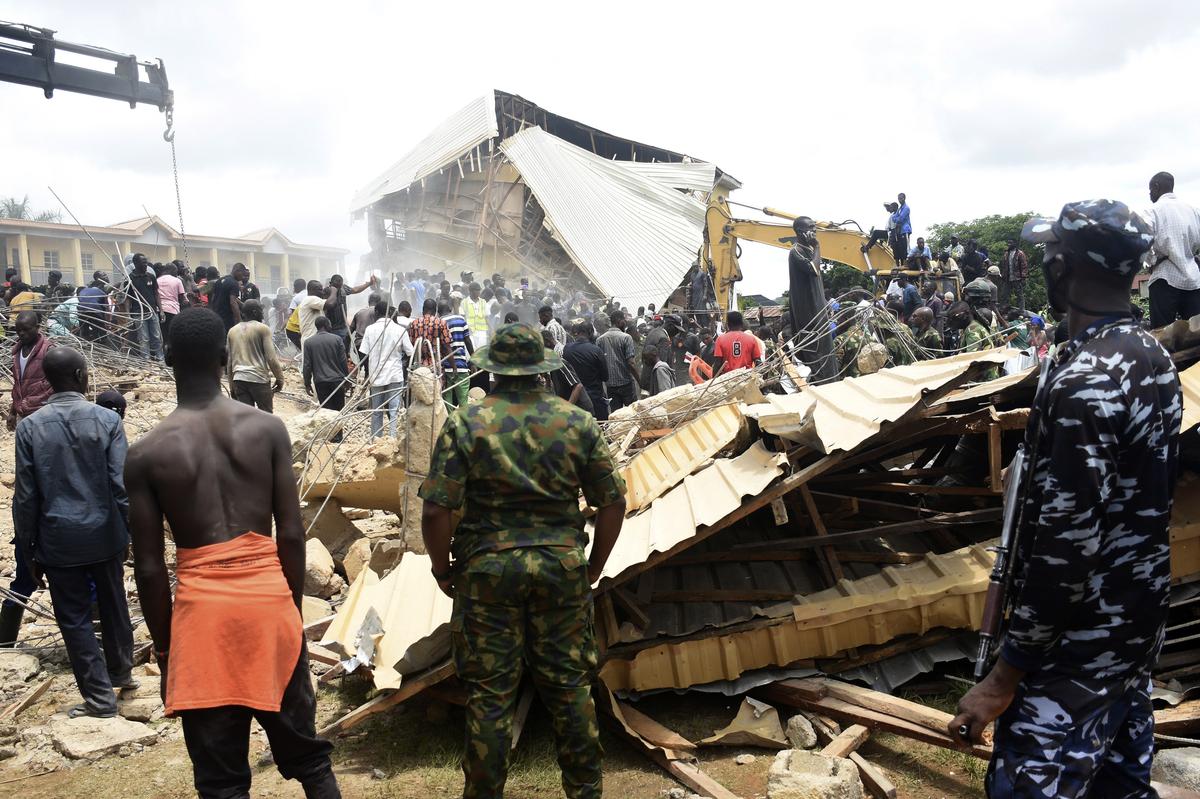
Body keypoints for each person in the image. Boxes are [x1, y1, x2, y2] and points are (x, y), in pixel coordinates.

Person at [951, 200, 1179, 798]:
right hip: (1133, 628)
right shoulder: (1147, 355)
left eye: (1052, 254)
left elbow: (1066, 548)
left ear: (1064, 267)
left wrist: (1005, 676)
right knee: (1119, 788)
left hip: (1074, 646)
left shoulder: (1086, 383)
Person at [126, 308, 340, 798]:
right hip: (268, 606)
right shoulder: (267, 430)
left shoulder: (145, 454)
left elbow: (151, 569)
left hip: (202, 623)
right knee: (308, 758)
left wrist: (165, 650)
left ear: (168, 358)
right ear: (224, 359)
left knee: (222, 783)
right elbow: (290, 532)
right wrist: (289, 609)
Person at [419, 323, 626, 799]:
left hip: (487, 573)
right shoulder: (576, 422)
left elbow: (436, 509)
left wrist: (441, 568)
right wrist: (592, 567)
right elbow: (612, 502)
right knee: (571, 690)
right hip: (561, 572)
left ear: (491, 370)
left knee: (490, 698)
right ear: (540, 371)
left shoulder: (465, 422)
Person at [13, 347, 135, 716]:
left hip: (58, 540)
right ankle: (122, 672)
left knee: (75, 618)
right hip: (105, 534)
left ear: (47, 380)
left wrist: (27, 551)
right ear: (82, 376)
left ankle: (99, 698)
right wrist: (129, 533)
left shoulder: (30, 427)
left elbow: (26, 497)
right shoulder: (108, 421)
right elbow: (121, 486)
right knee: (115, 605)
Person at [1146, 171, 1200, 328]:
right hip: (1193, 280)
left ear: (1156, 187)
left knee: (1161, 333)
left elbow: (1143, 241)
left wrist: (1151, 261)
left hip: (1164, 277)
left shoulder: (1152, 211)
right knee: (1197, 334)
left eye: (1150, 190)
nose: (1150, 194)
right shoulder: (1194, 211)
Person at [360, 300, 415, 438]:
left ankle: (376, 440)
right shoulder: (400, 330)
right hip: (395, 375)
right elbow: (410, 352)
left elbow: (364, 353)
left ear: (376, 313)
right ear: (390, 313)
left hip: (376, 375)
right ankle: (393, 438)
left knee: (377, 411)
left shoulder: (370, 330)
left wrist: (369, 370)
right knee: (394, 410)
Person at [226, 299, 285, 413]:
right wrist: (280, 378)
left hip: (239, 380)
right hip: (259, 380)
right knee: (266, 416)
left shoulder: (232, 331)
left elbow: (229, 362)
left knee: (247, 419)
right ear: (254, 312)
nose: (262, 314)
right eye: (260, 310)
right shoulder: (262, 328)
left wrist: (231, 385)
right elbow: (271, 358)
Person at [563, 320, 609, 420]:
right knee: (601, 428)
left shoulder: (566, 349)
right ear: (590, 332)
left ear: (578, 333)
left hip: (576, 400)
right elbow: (605, 376)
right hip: (595, 399)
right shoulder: (596, 350)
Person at [303, 317, 349, 412]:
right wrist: (347, 379)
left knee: (326, 412)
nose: (331, 326)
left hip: (320, 382)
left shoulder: (308, 342)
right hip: (337, 381)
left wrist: (307, 383)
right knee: (338, 412)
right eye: (330, 324)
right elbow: (343, 361)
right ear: (326, 325)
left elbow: (307, 365)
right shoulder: (337, 339)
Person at [596, 311, 639, 411]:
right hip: (626, 384)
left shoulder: (600, 340)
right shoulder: (626, 338)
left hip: (610, 386)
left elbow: (599, 364)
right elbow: (631, 363)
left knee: (617, 416)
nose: (625, 322)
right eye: (624, 320)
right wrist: (640, 381)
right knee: (633, 413)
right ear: (620, 321)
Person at [125, 253, 163, 360]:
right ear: (136, 263)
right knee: (144, 338)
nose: (146, 265)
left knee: (156, 336)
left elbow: (156, 293)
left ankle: (160, 358)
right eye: (143, 263)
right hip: (138, 313)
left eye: (146, 262)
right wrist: (128, 314)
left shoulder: (151, 276)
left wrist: (161, 310)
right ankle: (146, 359)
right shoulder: (130, 279)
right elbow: (127, 298)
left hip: (152, 311)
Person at [324, 274, 376, 350]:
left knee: (344, 349)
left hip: (343, 327)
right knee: (333, 350)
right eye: (335, 286)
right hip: (331, 328)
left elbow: (355, 290)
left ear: (341, 284)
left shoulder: (343, 288)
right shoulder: (327, 291)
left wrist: (369, 283)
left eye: (339, 285)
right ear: (330, 283)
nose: (337, 288)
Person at [440, 300, 473, 408]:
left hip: (446, 367)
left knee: (447, 401)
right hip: (461, 366)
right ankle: (464, 422)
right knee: (463, 400)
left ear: (438, 311)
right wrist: (473, 361)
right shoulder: (461, 319)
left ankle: (449, 423)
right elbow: (467, 341)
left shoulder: (439, 322)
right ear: (450, 309)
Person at [711, 311, 763, 376]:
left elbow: (717, 364)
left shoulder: (720, 339)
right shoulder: (751, 339)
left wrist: (713, 381)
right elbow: (758, 362)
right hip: (746, 378)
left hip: (727, 380)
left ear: (728, 324)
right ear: (741, 323)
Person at [409, 297, 452, 369]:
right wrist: (454, 366)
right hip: (436, 366)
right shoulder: (441, 323)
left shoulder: (414, 323)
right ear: (435, 311)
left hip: (419, 367)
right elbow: (447, 346)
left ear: (423, 309)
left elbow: (411, 345)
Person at [209, 262, 248, 331]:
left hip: (216, 317)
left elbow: (213, 299)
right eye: (242, 275)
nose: (242, 278)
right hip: (226, 319)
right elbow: (233, 302)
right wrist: (240, 321)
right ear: (237, 271)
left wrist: (243, 305)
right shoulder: (234, 283)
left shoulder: (219, 280)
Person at [157, 261, 187, 349]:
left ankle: (162, 353)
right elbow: (181, 297)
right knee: (173, 335)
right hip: (173, 310)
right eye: (176, 271)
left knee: (162, 334)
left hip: (159, 310)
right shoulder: (177, 281)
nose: (177, 273)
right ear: (172, 270)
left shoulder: (157, 280)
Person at [79, 271, 112, 343]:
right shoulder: (102, 292)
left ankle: (85, 346)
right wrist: (108, 323)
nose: (106, 276)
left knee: (84, 332)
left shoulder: (84, 290)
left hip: (81, 312)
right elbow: (107, 310)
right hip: (95, 311)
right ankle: (103, 347)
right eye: (104, 275)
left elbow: (81, 303)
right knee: (101, 333)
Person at [349, 292, 380, 368]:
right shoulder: (378, 313)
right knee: (372, 368)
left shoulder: (359, 312)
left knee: (364, 366)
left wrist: (347, 350)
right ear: (379, 302)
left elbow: (349, 332)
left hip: (359, 344)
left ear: (369, 301)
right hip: (372, 344)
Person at [296, 281, 329, 345]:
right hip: (311, 340)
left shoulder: (314, 301)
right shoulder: (311, 299)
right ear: (312, 290)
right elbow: (330, 304)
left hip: (313, 340)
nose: (322, 292)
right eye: (320, 290)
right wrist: (334, 291)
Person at [1002, 240, 1029, 312]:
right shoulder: (1006, 253)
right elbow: (1004, 266)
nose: (1009, 244)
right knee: (1006, 293)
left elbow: (1024, 266)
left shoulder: (1020, 253)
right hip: (1008, 277)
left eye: (1010, 243)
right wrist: (1003, 275)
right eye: (1008, 243)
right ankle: (1006, 307)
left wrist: (1023, 278)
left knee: (1019, 295)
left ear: (1015, 244)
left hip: (1017, 278)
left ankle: (1021, 310)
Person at [890, 192, 912, 264]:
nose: (900, 200)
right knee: (899, 248)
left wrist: (897, 218)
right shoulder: (900, 208)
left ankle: (905, 264)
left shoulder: (906, 208)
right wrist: (897, 218)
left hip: (905, 230)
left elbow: (900, 219)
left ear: (904, 198)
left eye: (901, 198)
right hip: (900, 231)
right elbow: (893, 217)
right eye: (898, 199)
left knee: (905, 248)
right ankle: (901, 265)